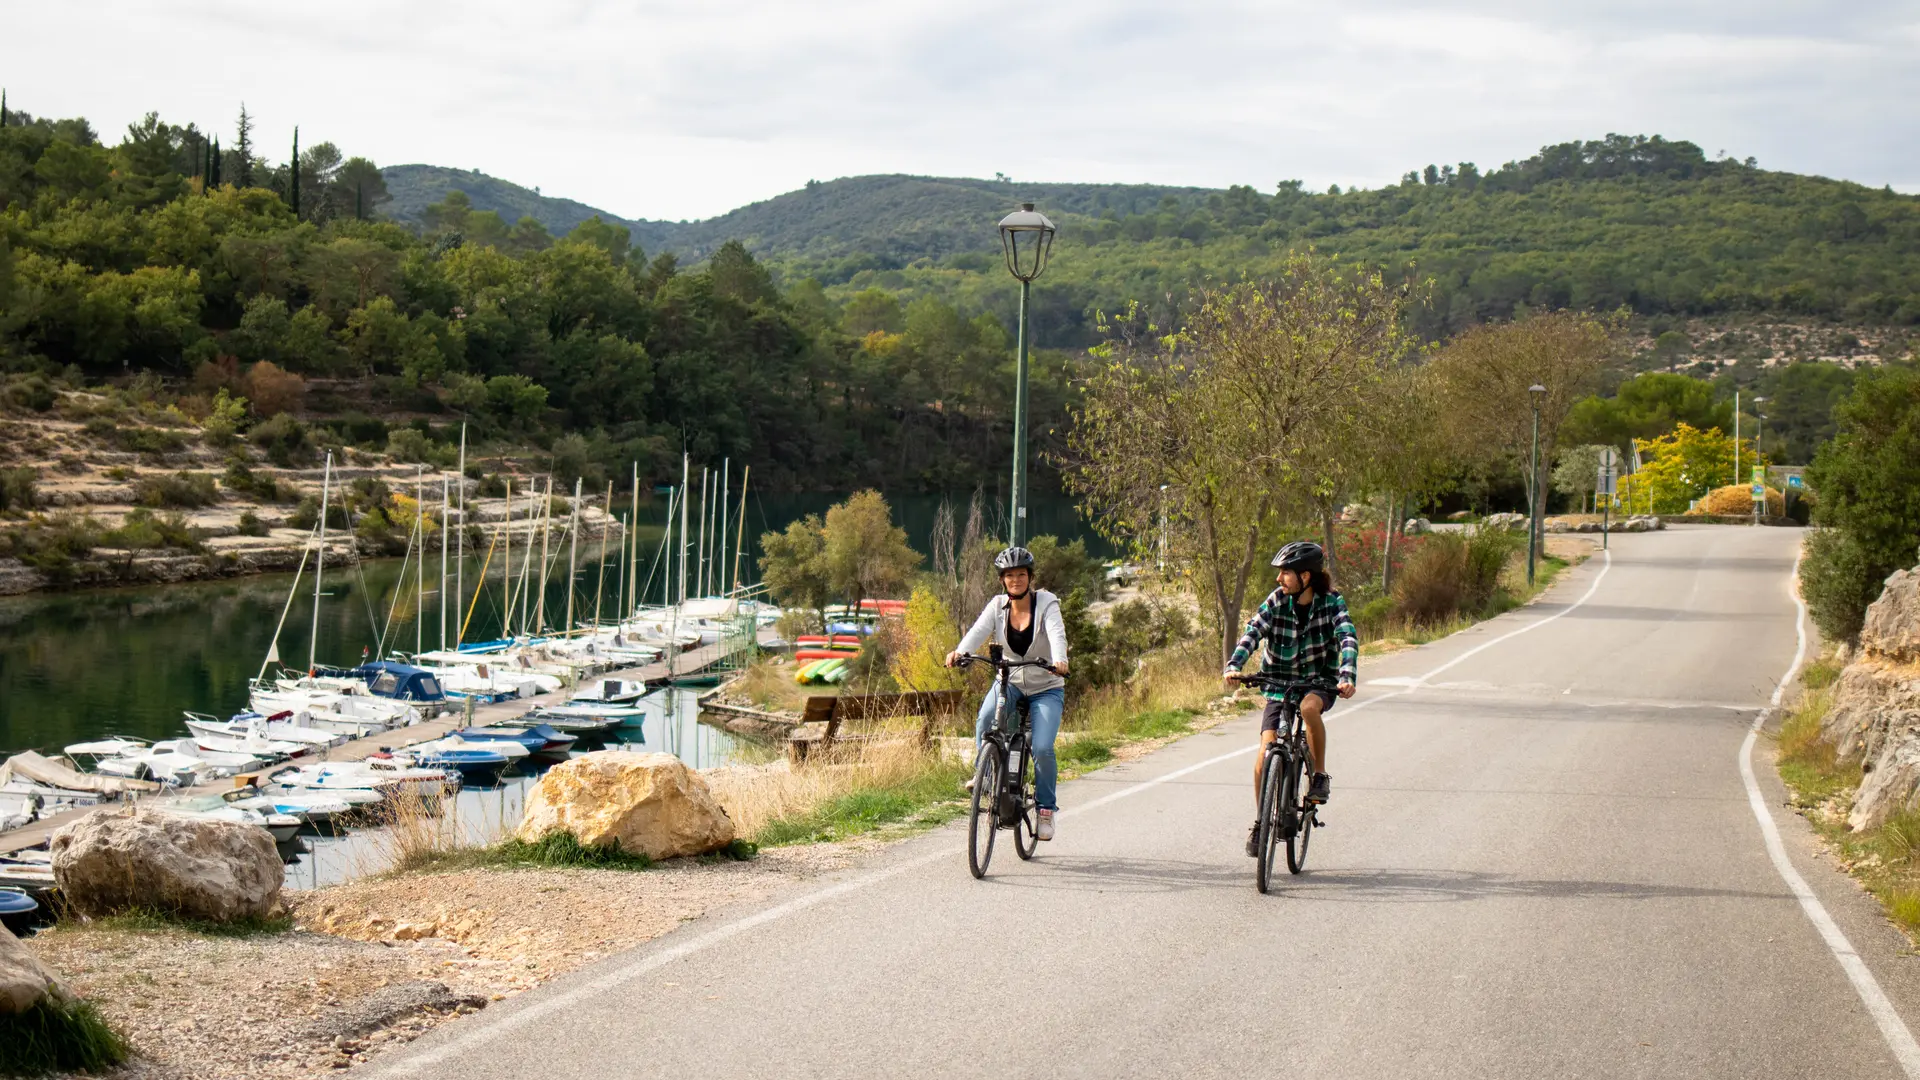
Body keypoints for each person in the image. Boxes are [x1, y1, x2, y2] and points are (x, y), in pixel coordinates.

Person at [1224, 540, 1356, 856]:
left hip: (1318, 680)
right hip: (1278, 683)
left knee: (1310, 708)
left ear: (1305, 576)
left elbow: (1347, 635)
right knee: (1265, 751)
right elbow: (1252, 632)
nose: (1279, 579)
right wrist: (1235, 664)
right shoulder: (1276, 601)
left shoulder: (1331, 602)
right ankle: (1261, 823)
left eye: (1285, 572)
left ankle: (1319, 775)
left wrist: (1347, 674)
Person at [946, 546, 1069, 841]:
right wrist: (961, 651)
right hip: (1010, 681)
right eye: (1009, 575)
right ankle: (985, 777)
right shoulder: (997, 605)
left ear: (1030, 577)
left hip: (1046, 687)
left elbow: (1056, 632)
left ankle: (1045, 811)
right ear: (1003, 579)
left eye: (1021, 574)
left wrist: (1060, 660)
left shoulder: (1046, 602)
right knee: (986, 717)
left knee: (1041, 748)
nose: (1015, 580)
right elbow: (977, 631)